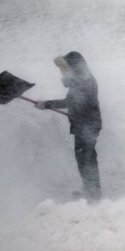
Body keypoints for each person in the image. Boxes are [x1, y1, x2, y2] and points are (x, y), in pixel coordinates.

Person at [36, 51, 102, 202]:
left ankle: (93, 195)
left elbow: (70, 102)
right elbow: (73, 99)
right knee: (85, 158)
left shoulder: (83, 81)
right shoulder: (82, 79)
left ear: (76, 67)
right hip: (85, 123)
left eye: (67, 67)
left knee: (86, 159)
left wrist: (46, 104)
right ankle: (91, 190)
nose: (64, 71)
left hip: (88, 125)